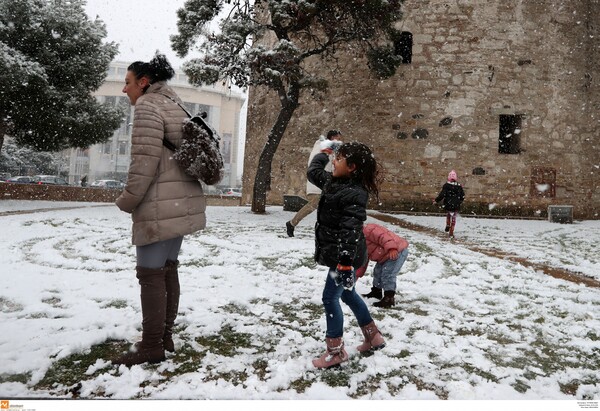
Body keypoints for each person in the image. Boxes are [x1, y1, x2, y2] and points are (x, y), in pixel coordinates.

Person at [113, 54, 206, 366]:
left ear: (143, 82)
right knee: (167, 270)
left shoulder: (148, 107)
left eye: (127, 82)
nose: (124, 90)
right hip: (181, 200)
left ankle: (152, 345)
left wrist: (126, 199)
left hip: (158, 203)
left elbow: (143, 163)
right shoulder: (175, 103)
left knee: (151, 274)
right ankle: (164, 336)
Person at [307, 141, 386, 369]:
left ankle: (335, 352)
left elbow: (350, 230)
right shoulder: (333, 182)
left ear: (351, 167)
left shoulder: (354, 194)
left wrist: (343, 262)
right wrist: (324, 153)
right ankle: (373, 337)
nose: (334, 161)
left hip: (345, 257)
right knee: (348, 295)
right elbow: (313, 173)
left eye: (338, 159)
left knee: (330, 298)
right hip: (342, 255)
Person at [285, 129, 342, 237]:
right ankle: (292, 223)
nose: (339, 141)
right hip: (318, 183)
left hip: (325, 183)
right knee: (315, 204)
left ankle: (329, 230)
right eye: (338, 139)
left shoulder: (329, 149)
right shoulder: (322, 146)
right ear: (333, 137)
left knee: (328, 206)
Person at [356, 223, 409, 308]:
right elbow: (363, 260)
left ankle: (389, 298)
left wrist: (392, 249)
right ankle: (376, 292)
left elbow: (385, 238)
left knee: (388, 274)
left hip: (396, 251)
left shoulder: (369, 230)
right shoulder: (357, 243)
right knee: (377, 272)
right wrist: (356, 275)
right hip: (383, 256)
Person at [433, 170, 465, 238]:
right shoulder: (459, 186)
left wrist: (436, 200)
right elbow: (462, 196)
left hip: (448, 203)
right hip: (456, 204)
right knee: (454, 217)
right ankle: (451, 231)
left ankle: (448, 224)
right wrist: (459, 201)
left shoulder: (446, 185)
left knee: (448, 214)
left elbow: (442, 194)